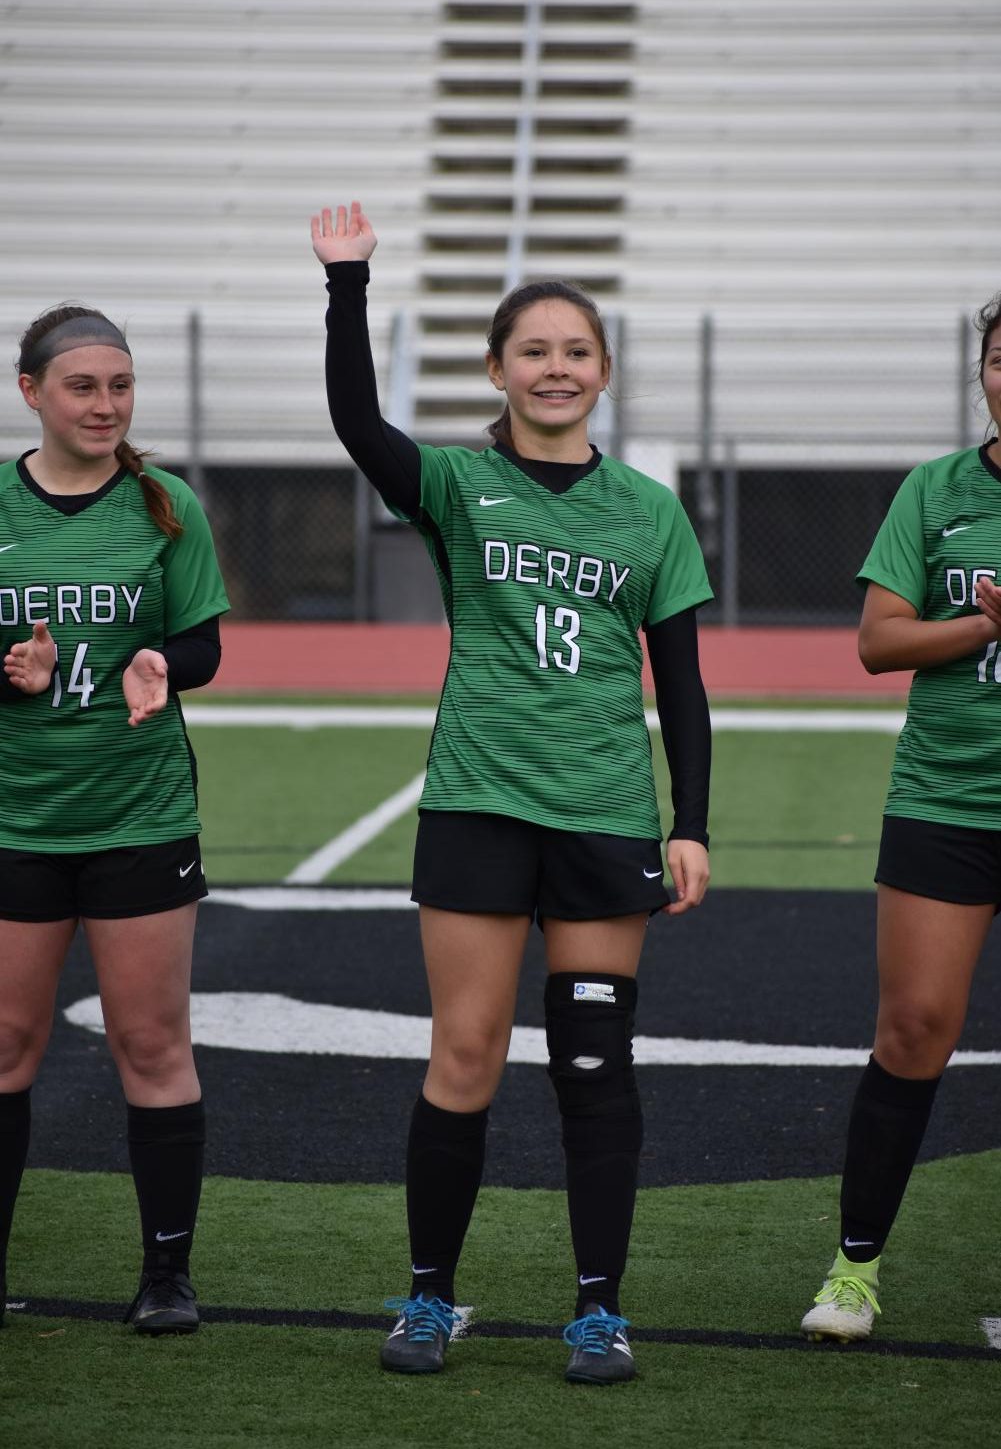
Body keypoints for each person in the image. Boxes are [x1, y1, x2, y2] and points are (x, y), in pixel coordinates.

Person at [311, 202, 713, 1384]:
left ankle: (599, 1309)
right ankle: (428, 1297)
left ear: (602, 372)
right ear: (496, 369)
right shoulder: (453, 482)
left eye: (574, 351)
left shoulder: (647, 510)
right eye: (530, 350)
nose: (554, 368)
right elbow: (351, 421)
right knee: (466, 1053)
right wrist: (349, 285)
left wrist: (689, 823)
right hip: (479, 808)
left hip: (601, 816)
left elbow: (680, 686)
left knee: (593, 1061)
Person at [0, 305, 229, 1335]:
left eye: (120, 385)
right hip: (15, 821)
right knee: (7, 1042)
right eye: (84, 385)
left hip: (138, 815)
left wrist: (157, 664)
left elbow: (203, 651)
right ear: (32, 392)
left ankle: (167, 1275)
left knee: (150, 1040)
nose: (105, 404)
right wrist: (11, 674)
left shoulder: (164, 503)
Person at [801, 293, 1001, 1342]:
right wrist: (977, 621)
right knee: (912, 1026)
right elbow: (877, 642)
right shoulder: (936, 490)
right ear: (981, 372)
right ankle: (853, 1269)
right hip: (946, 797)